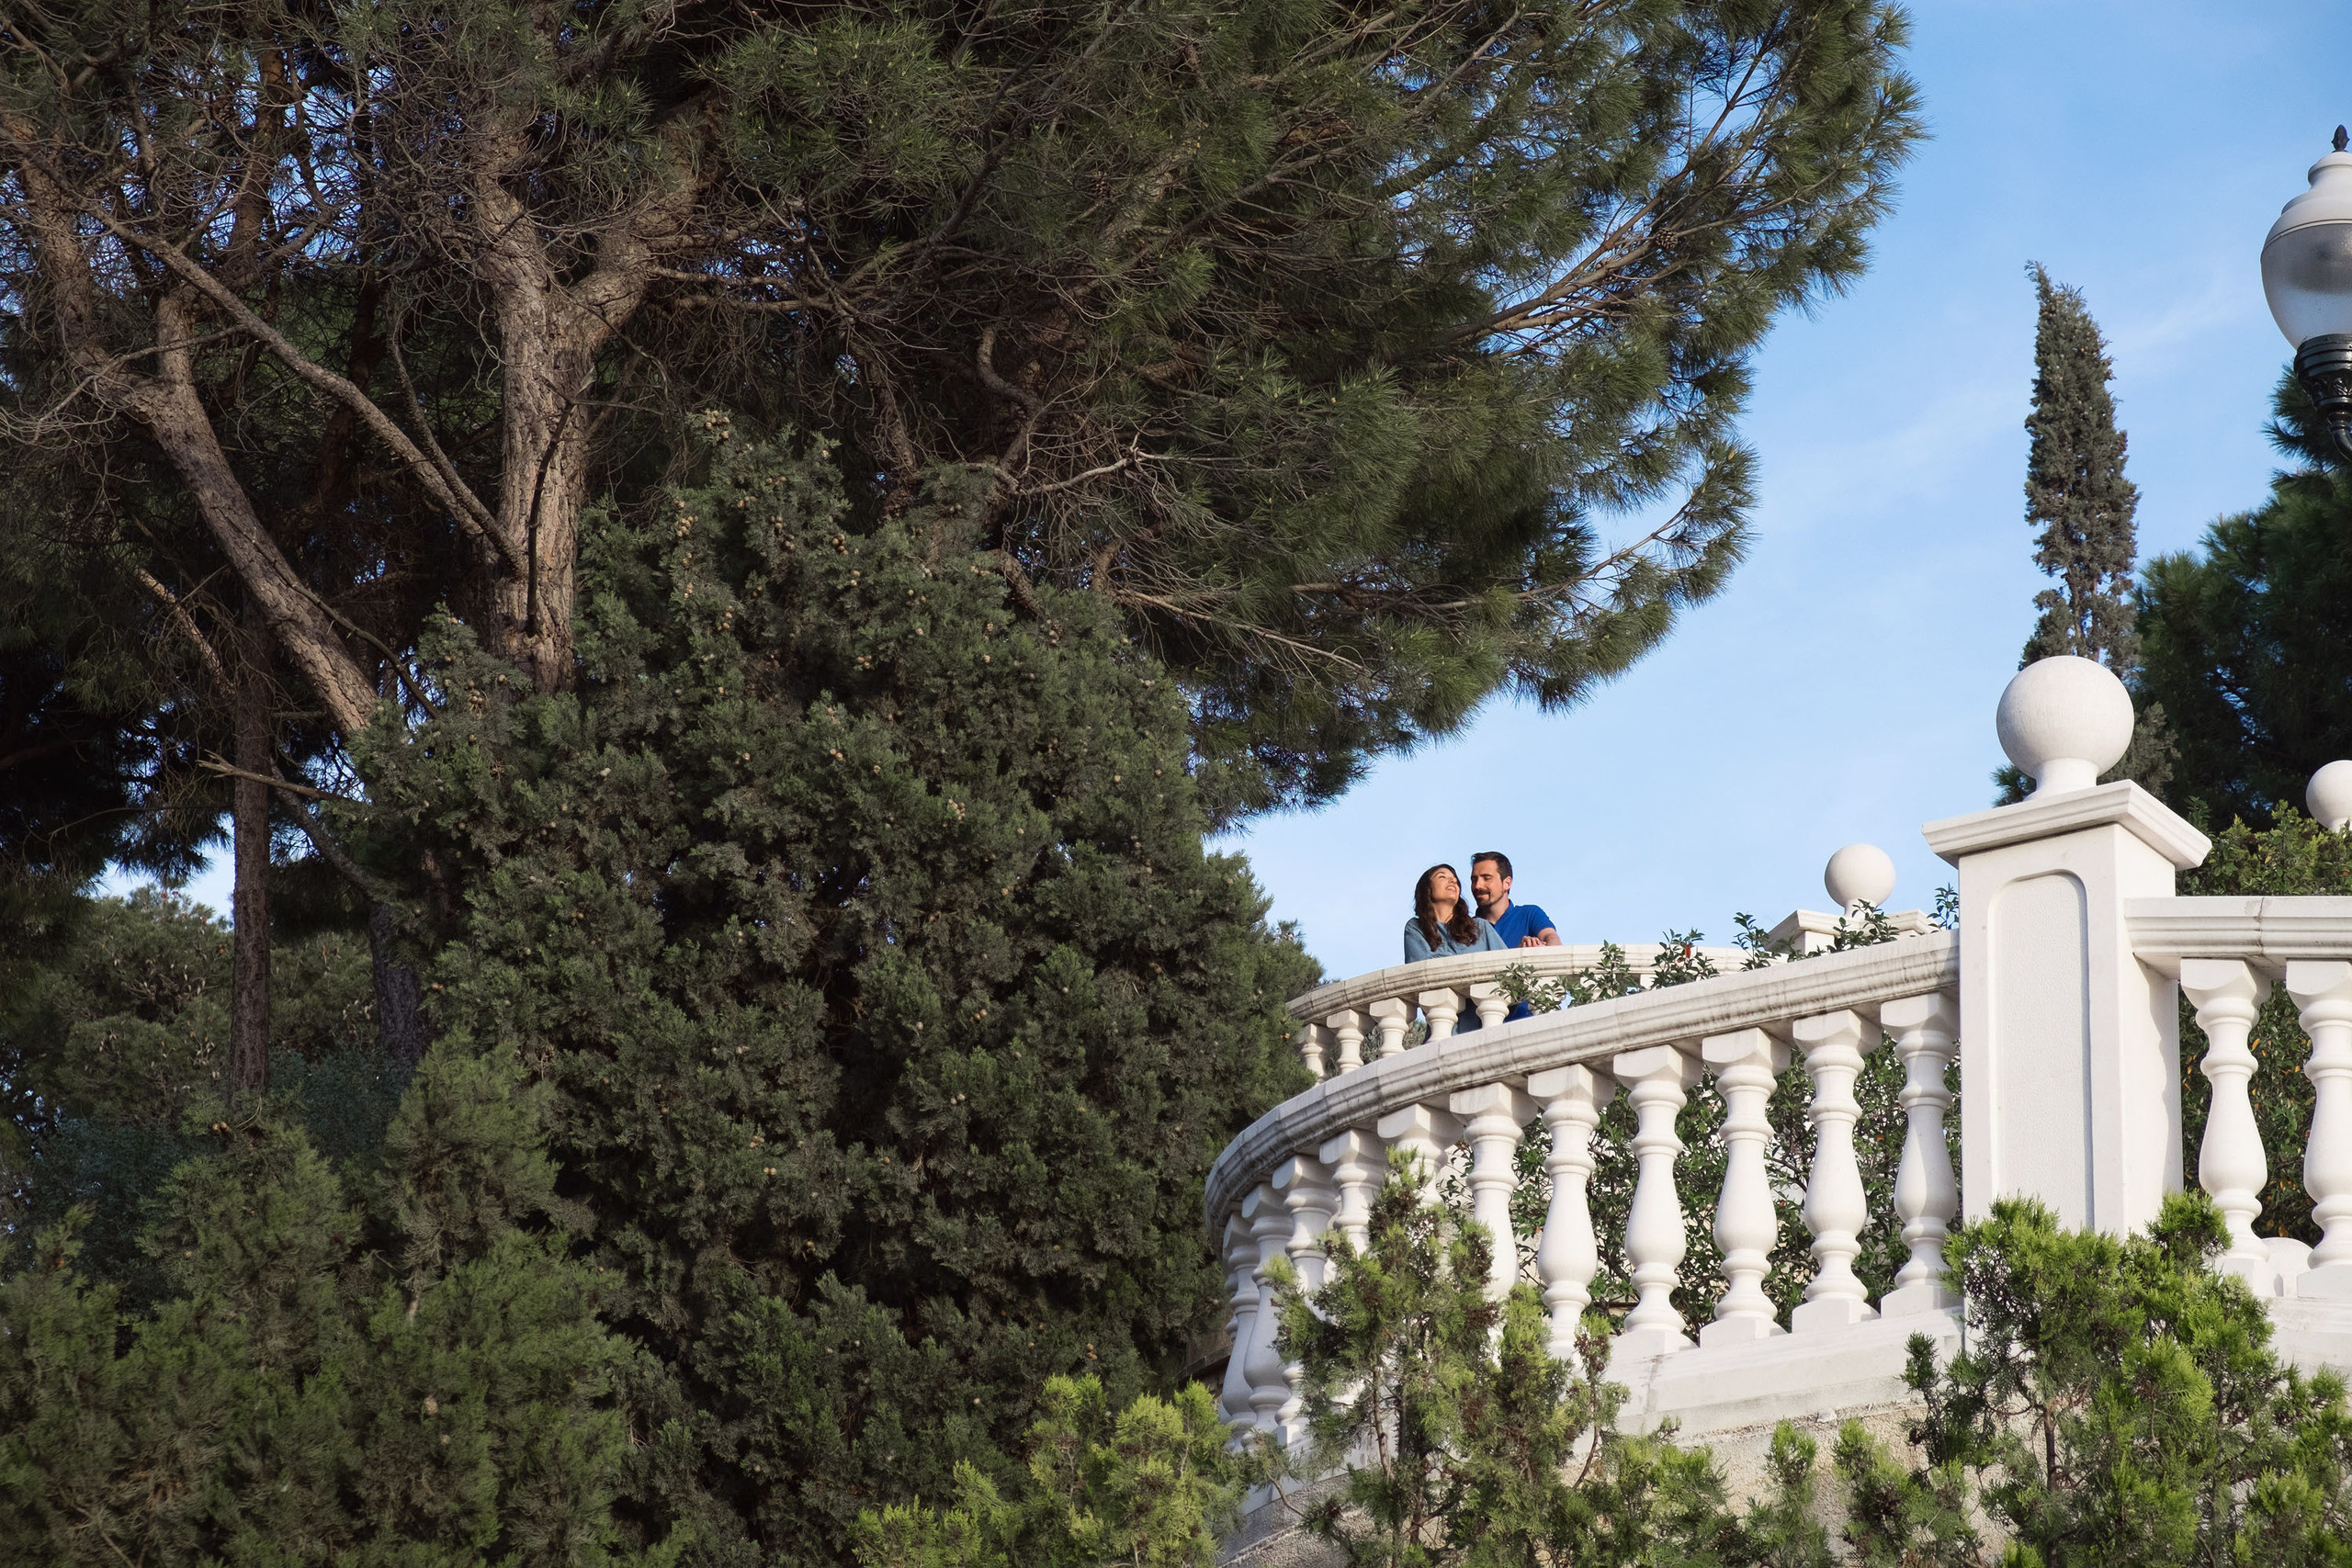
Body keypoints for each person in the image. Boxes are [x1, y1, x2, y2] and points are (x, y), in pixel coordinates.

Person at [1402, 863, 1506, 964]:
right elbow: (1420, 965)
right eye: (1442, 877)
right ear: (1427, 889)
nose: (1453, 880)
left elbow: (1506, 963)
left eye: (1455, 879)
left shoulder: (1479, 927)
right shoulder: (1415, 927)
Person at [1471, 852, 1560, 949]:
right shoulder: (1466, 929)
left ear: (1507, 883)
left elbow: (1552, 939)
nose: (1477, 885)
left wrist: (1532, 950)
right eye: (1474, 880)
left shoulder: (1529, 914)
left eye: (1487, 878)